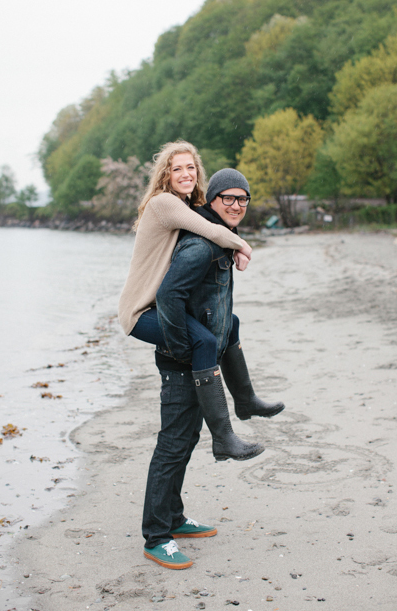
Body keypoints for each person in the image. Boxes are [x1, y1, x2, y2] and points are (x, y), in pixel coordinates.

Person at [118, 141, 283, 462]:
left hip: (156, 305)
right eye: (177, 168)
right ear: (166, 175)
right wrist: (243, 247)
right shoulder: (164, 202)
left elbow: (209, 227)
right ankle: (223, 438)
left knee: (230, 322)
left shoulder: (183, 206)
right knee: (204, 341)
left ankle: (246, 399)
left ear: (198, 173)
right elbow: (211, 229)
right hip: (139, 312)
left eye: (191, 167)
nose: (185, 173)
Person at [142, 167, 267, 569]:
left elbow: (216, 309)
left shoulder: (219, 240)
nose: (235, 205)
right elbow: (168, 296)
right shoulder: (202, 245)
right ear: (211, 201)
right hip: (183, 358)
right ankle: (157, 536)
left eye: (242, 199)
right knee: (174, 443)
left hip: (199, 358)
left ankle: (174, 518)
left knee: (185, 439)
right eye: (227, 198)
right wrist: (184, 347)